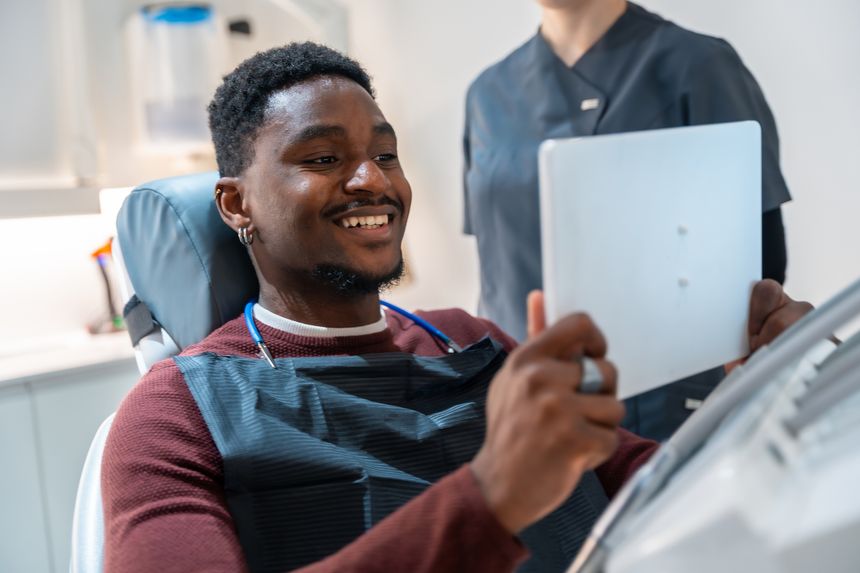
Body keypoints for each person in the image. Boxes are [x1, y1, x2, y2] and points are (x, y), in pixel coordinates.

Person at [102, 43, 811, 573]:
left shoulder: (475, 342)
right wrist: (492, 495)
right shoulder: (173, 414)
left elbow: (659, 493)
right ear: (236, 203)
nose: (370, 180)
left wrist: (770, 398)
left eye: (386, 155)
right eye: (322, 159)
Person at [463, 0, 793, 441]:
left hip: (666, 419)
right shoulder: (487, 96)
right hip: (524, 416)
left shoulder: (698, 66)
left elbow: (761, 272)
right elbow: (497, 275)